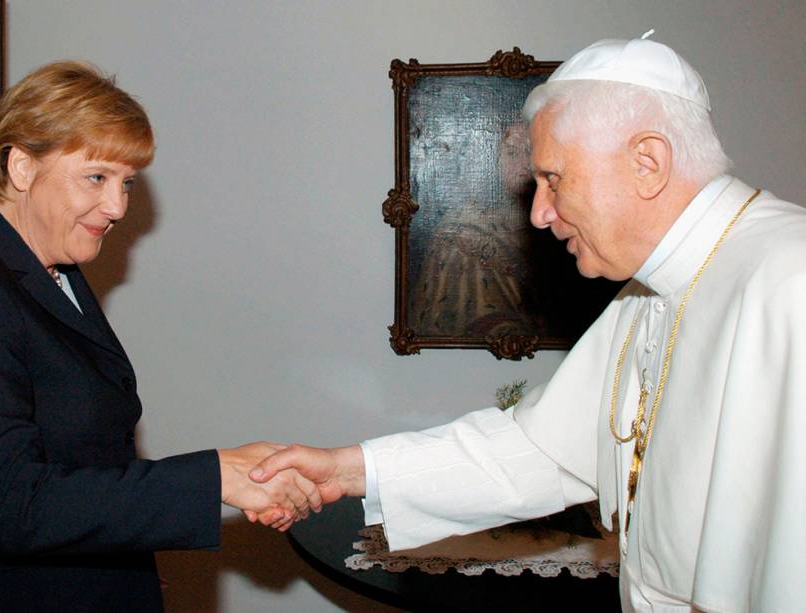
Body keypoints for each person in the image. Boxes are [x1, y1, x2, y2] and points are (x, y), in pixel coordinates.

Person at [251, 36, 806, 611]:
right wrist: (347, 469)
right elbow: (543, 452)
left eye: (554, 179)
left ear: (648, 162)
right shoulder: (646, 293)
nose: (540, 213)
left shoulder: (792, 281)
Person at [0, 61, 319, 612]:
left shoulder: (55, 267)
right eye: (96, 177)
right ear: (21, 166)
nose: (117, 207)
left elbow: (83, 457)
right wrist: (213, 478)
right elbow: (13, 507)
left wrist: (233, 477)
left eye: (127, 183)